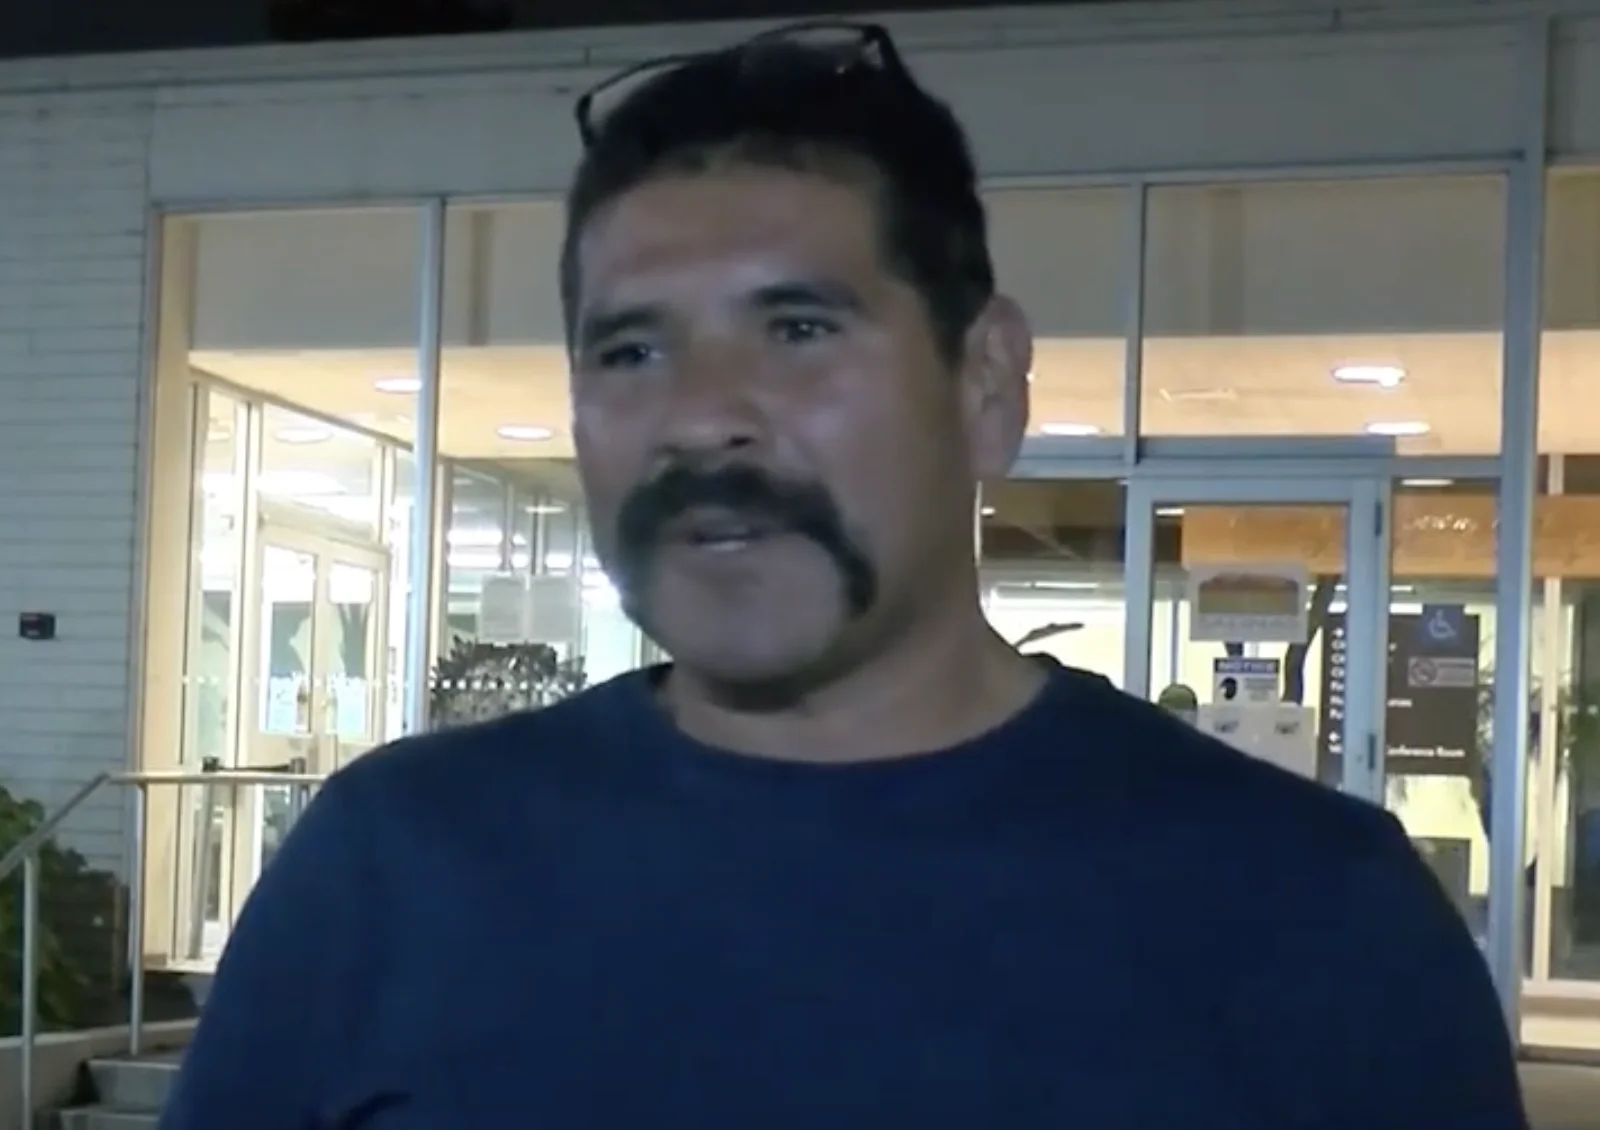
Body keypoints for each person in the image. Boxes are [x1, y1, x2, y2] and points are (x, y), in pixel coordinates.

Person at [158, 21, 1529, 1130]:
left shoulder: (1310, 913)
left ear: (985, 381)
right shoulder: (390, 869)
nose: (702, 415)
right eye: (631, 350)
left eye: (799, 327)